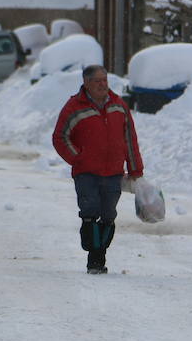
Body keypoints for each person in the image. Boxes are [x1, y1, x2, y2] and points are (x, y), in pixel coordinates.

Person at [51, 64, 144, 274]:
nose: (103, 85)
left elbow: (130, 139)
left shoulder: (118, 105)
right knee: (90, 212)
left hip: (113, 172)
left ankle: (100, 252)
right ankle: (95, 260)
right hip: (87, 173)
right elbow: (60, 137)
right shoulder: (74, 107)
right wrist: (77, 158)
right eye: (98, 81)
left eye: (105, 80)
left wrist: (135, 169)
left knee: (109, 214)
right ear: (86, 83)